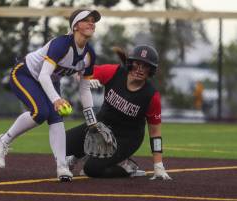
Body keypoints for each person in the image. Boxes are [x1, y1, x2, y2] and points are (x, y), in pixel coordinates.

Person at [0, 9, 101, 182]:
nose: (92, 23)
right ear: (75, 26)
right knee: (40, 112)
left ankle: (62, 166)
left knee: (56, 118)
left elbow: (84, 88)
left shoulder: (89, 54)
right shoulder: (62, 44)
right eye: (86, 20)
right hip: (25, 73)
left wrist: (91, 119)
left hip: (50, 79)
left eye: (93, 20)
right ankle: (2, 141)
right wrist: (56, 99)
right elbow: (43, 75)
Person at [66, 45, 172, 180]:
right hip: (100, 126)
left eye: (145, 66)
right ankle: (78, 155)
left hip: (126, 138)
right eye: (137, 64)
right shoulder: (114, 72)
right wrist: (85, 79)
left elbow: (155, 133)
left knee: (91, 169)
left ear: (151, 70)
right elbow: (79, 73)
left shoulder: (151, 95)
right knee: (62, 144)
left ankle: (127, 167)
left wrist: (158, 165)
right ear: (130, 63)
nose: (140, 69)